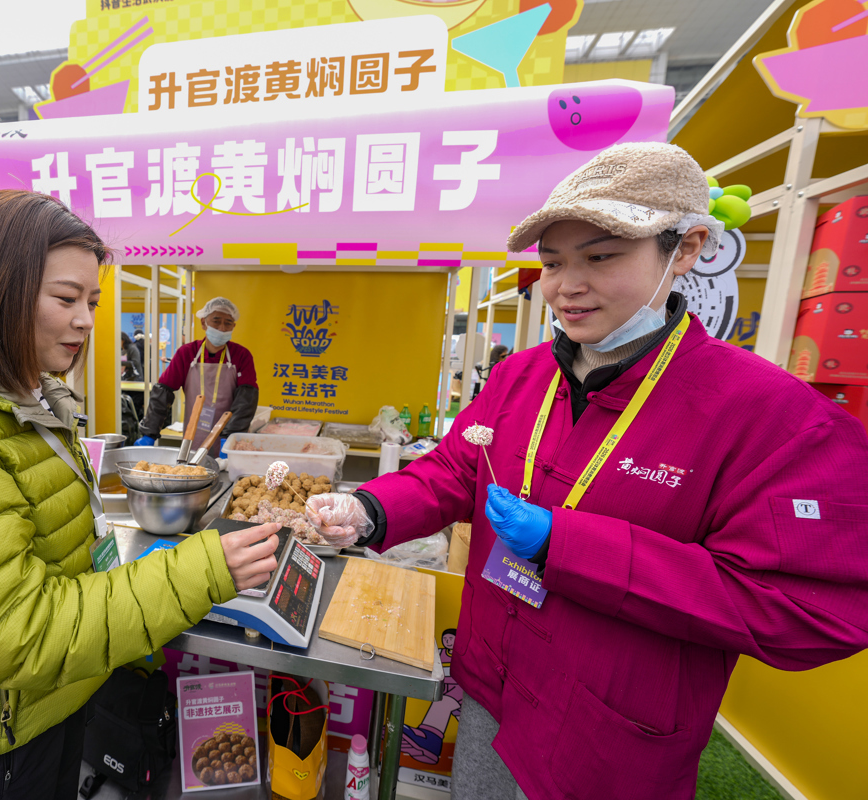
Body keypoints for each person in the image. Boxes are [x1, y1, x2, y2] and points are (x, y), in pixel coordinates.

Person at [305, 143, 868, 800]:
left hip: (610, 733)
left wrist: (565, 545)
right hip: (492, 686)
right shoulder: (520, 376)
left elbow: (810, 610)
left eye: (600, 257)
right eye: (551, 263)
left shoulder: (771, 415)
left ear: (684, 249)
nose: (567, 286)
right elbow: (454, 472)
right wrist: (371, 508)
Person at [0, 189, 280, 799]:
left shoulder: (27, 401)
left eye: (91, 301)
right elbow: (22, 633)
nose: (87, 320)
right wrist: (206, 568)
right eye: (66, 299)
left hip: (39, 714)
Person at [135, 297, 258, 457]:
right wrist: (149, 433)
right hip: (193, 435)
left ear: (233, 326)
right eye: (216, 321)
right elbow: (163, 392)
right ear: (203, 323)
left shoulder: (241, 356)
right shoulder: (187, 353)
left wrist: (229, 438)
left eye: (228, 323)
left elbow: (245, 401)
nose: (222, 327)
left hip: (228, 439)